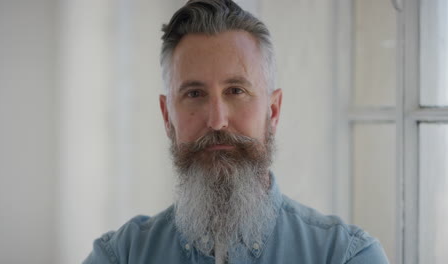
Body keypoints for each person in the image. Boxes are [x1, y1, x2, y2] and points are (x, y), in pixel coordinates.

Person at [83, 0, 389, 263]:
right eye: (194, 94)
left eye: (236, 90)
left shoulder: (343, 256)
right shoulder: (120, 256)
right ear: (167, 116)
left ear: (274, 110)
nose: (217, 121)